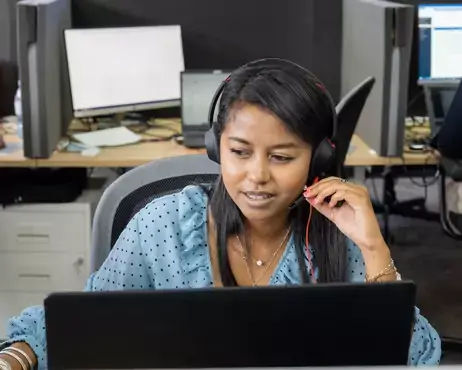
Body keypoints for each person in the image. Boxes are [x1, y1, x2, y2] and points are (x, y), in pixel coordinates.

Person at [0, 60, 441, 370]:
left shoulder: (335, 234)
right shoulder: (165, 225)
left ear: (319, 159)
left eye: (283, 157)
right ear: (216, 148)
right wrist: (16, 356)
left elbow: (416, 359)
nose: (257, 176)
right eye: (239, 152)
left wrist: (373, 247)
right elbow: (81, 322)